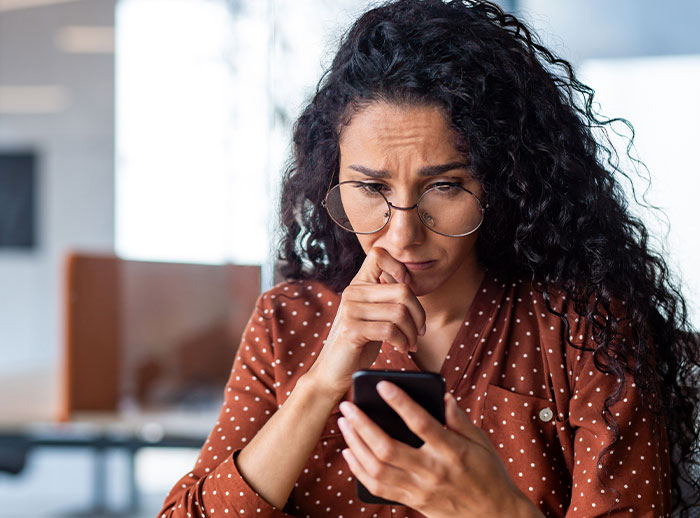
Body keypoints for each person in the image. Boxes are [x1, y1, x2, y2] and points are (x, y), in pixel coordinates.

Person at [159, 1, 700, 516]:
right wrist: (322, 381)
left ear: (501, 181)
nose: (402, 233)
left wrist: (496, 510)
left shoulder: (583, 329)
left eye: (443, 185)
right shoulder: (287, 323)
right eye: (370, 188)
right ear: (334, 180)